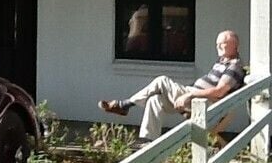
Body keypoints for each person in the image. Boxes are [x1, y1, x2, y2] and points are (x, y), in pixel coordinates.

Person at [98, 30, 245, 141]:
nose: (218, 46)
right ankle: (148, 142)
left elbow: (219, 92)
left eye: (222, 43)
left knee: (162, 80)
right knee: (155, 100)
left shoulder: (234, 66)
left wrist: (190, 94)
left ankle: (125, 105)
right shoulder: (222, 62)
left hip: (206, 103)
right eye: (217, 43)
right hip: (194, 97)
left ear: (234, 45)